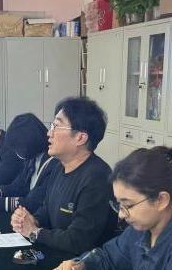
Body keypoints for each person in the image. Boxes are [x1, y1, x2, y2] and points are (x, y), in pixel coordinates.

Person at [11, 97, 116, 254]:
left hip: (82, 264)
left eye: (56, 126)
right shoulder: (58, 166)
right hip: (58, 255)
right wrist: (31, 219)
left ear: (80, 138)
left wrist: (34, 232)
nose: (49, 133)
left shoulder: (97, 177)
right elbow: (47, 209)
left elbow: (78, 241)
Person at [0, 113, 59, 213]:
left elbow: (33, 202)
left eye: (19, 147)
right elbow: (15, 188)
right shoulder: (31, 159)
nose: (18, 153)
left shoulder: (53, 163)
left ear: (30, 141)